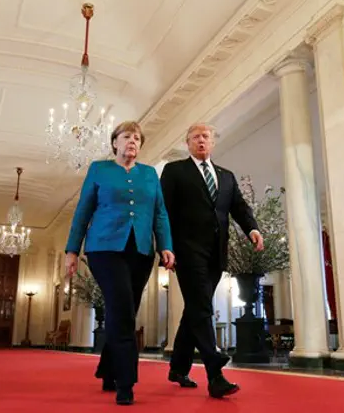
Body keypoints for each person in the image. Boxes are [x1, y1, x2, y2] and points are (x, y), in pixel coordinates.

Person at [65, 121, 175, 406]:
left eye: (137, 138)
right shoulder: (99, 170)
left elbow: (159, 213)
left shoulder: (150, 174)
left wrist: (165, 246)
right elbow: (83, 210)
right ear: (114, 143)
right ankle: (126, 382)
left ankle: (107, 370)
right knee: (122, 308)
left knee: (123, 310)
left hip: (140, 251)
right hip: (104, 249)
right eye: (127, 137)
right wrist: (72, 250)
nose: (132, 142)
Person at [160, 123, 263, 398]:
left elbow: (239, 207)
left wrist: (252, 228)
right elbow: (164, 212)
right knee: (202, 306)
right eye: (195, 137)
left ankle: (178, 368)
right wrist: (164, 247)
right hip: (186, 250)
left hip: (216, 252)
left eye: (205, 137)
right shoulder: (174, 171)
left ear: (213, 142)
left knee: (196, 306)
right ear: (187, 143)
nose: (201, 141)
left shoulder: (226, 176)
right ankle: (214, 370)